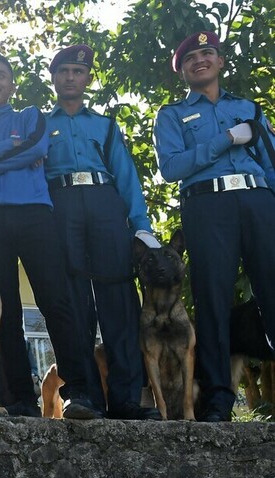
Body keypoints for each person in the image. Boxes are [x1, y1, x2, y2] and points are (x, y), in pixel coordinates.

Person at [0, 52, 99, 419]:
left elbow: (37, 147)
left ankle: (79, 392)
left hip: (36, 216)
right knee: (3, 313)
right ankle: (20, 398)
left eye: (0, 75)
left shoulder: (31, 116)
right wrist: (9, 149)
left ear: (11, 85)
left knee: (56, 302)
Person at [154, 31, 275, 422]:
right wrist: (225, 139)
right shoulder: (172, 115)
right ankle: (219, 400)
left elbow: (271, 160)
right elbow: (172, 167)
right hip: (207, 204)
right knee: (213, 300)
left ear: (220, 61)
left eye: (207, 53)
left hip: (259, 200)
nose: (199, 60)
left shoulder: (249, 108)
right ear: (183, 71)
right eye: (190, 58)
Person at [44, 45, 162, 420]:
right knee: (74, 304)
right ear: (54, 78)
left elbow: (126, 177)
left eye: (77, 72)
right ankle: (85, 397)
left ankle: (127, 399)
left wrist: (141, 227)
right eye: (63, 71)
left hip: (105, 202)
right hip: (61, 204)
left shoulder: (105, 125)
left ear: (87, 78)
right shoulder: (40, 126)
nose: (70, 78)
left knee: (119, 303)